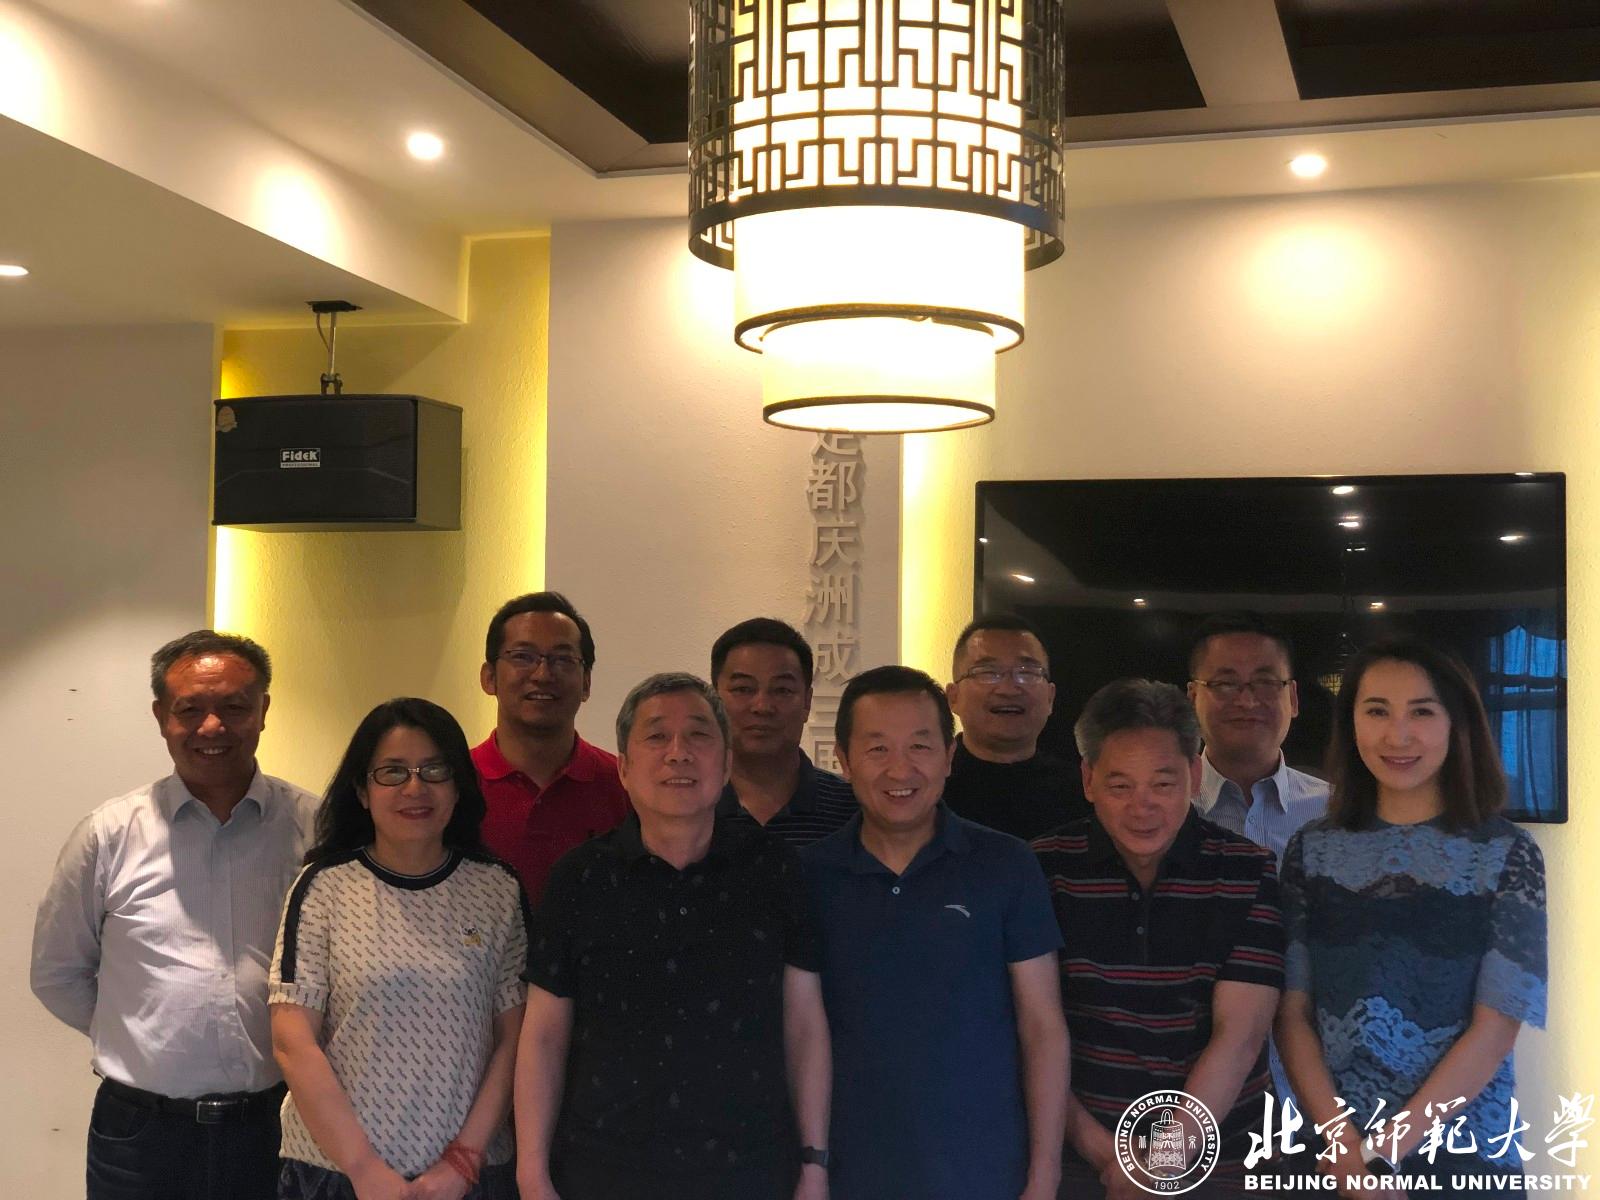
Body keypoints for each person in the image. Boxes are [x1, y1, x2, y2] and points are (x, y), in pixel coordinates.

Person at [514, 673, 831, 1200]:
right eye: (657, 736)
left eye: (699, 735)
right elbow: (544, 1035)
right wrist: (532, 1172)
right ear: (623, 766)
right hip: (601, 1172)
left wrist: (814, 1165)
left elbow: (804, 1024)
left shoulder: (774, 869)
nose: (678, 753)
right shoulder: (579, 878)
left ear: (725, 764)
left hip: (751, 1172)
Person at [31, 630, 319, 1200]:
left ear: (263, 710)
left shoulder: (314, 829)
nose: (212, 727)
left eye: (234, 707)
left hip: (276, 1124)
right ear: (161, 717)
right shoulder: (109, 835)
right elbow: (57, 973)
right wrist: (139, 1033)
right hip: (139, 1135)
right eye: (190, 710)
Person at [1276, 639, 1547, 1197]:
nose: (1397, 736)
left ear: (1457, 724)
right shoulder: (1311, 850)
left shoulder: (1507, 853)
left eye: (1421, 712)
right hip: (1333, 1154)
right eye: (1377, 711)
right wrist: (1344, 1145)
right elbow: (1291, 1013)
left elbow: (1497, 1026)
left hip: (1466, 1154)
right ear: (1351, 722)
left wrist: (1383, 1154)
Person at [803, 665, 1068, 1200]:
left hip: (986, 1172)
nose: (900, 768)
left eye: (920, 746)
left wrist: (1045, 1173)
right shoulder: (810, 875)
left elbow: (1042, 1026)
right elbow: (805, 1032)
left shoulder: (1006, 863)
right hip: (854, 1171)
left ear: (949, 756)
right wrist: (813, 1166)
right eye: (877, 749)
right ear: (843, 760)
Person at [1032, 678, 1283, 1199]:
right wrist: (1110, 1159)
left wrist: (1160, 1162)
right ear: (1088, 779)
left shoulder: (1247, 870)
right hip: (1082, 1157)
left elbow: (1239, 1037)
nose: (1141, 807)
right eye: (1120, 786)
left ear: (1194, 776)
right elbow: (1032, 1029)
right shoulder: (1042, 870)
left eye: (1162, 785)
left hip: (1228, 1157)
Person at [270, 697, 528, 1200]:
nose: (415, 787)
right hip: (335, 1174)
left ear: (459, 786)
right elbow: (292, 1041)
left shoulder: (498, 889)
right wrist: (365, 1169)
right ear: (362, 791)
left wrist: (463, 1162)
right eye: (392, 772)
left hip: (467, 1178)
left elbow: (514, 1040)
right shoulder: (322, 887)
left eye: (435, 769)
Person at [473, 591, 630, 903]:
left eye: (563, 659)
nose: (543, 674)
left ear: (586, 683)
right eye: (523, 656)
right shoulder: (454, 785)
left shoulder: (625, 786)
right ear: (489, 677)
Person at [1187, 613, 1328, 865]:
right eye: (1225, 683)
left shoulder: (1334, 811)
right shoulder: (1158, 810)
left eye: (1265, 682)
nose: (1247, 701)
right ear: (1193, 698)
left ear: (1293, 699)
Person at [711, 617, 857, 846]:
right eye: (743, 689)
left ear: (807, 702)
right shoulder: (685, 805)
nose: (762, 706)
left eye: (782, 690)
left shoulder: (854, 811)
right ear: (714, 700)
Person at [943, 614, 1089, 841]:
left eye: (1026, 673)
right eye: (988, 673)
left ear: (1050, 698)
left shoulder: (1084, 791)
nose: (1008, 689)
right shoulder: (927, 786)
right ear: (953, 697)